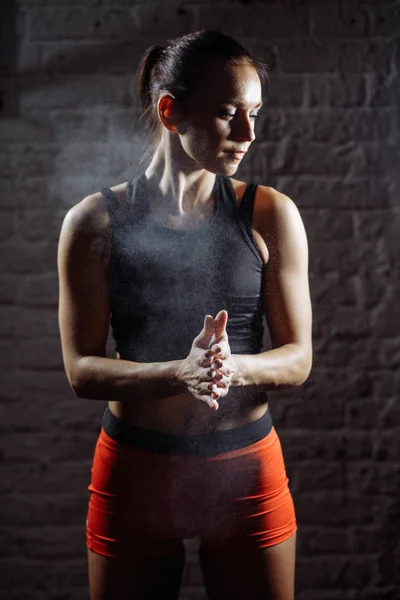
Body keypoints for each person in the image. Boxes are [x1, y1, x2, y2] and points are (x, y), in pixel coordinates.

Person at [57, 30, 312, 600]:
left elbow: (299, 360)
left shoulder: (269, 213)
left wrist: (228, 366)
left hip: (244, 467)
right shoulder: (93, 223)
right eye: (228, 114)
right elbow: (81, 371)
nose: (248, 134)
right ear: (170, 111)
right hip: (137, 471)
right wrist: (180, 371)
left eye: (254, 114)